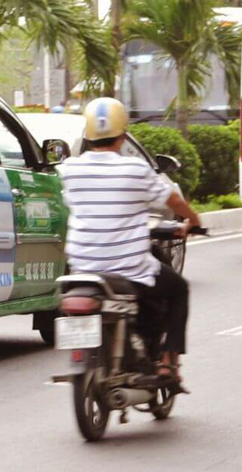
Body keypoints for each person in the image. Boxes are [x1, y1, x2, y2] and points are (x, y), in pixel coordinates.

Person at [58, 97, 201, 385]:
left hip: (81, 267)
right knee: (178, 289)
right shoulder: (136, 170)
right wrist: (193, 220)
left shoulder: (69, 169)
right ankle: (167, 362)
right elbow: (172, 199)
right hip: (127, 268)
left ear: (88, 134)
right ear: (123, 135)